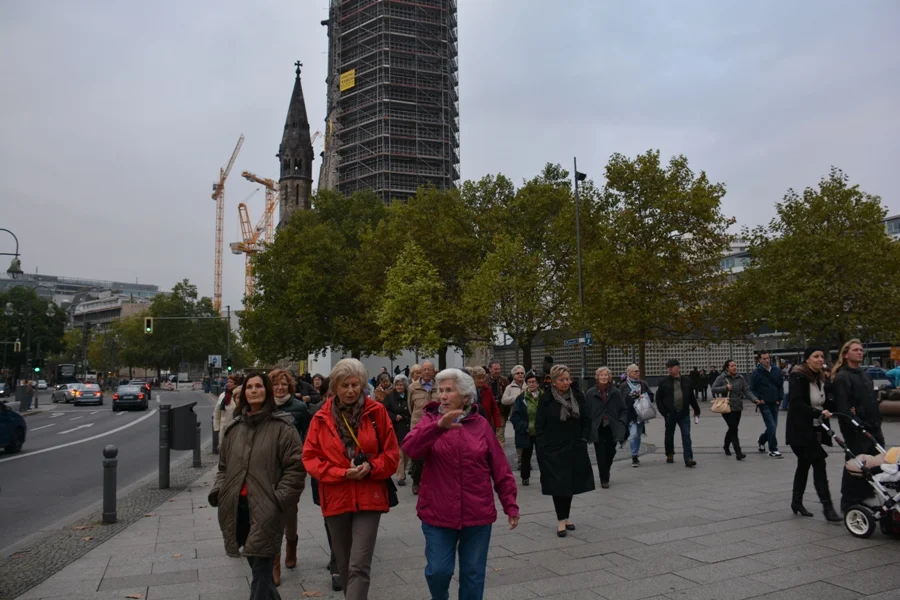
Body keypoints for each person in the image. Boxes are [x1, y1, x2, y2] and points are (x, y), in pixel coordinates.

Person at [403, 368, 519, 600]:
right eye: (441, 390)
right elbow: (410, 448)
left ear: (465, 397)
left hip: (477, 513)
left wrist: (510, 504)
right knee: (438, 571)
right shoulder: (429, 420)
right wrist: (437, 428)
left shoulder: (480, 425)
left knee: (473, 574)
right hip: (438, 513)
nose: (443, 396)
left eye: (449, 390)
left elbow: (500, 468)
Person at [302, 359, 400, 600]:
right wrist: (341, 473)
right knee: (344, 565)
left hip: (369, 496)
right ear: (334, 387)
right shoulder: (320, 418)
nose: (350, 391)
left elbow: (391, 454)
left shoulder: (376, 412)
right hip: (336, 497)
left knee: (359, 564)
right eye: (345, 385)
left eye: (355, 385)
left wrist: (371, 467)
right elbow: (311, 458)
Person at [208, 372, 306, 600]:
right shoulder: (234, 429)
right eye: (249, 387)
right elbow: (223, 468)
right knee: (258, 569)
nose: (253, 390)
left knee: (261, 572)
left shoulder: (282, 427)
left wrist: (278, 499)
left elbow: (296, 468)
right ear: (243, 393)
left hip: (266, 508)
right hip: (237, 508)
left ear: (267, 391)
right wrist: (219, 492)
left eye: (259, 386)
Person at [535, 365, 594, 537]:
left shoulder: (577, 396)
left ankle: (566, 516)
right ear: (553, 382)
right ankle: (560, 519)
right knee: (558, 484)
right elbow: (540, 425)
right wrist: (543, 446)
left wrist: (584, 437)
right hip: (554, 449)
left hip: (575, 447)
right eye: (562, 380)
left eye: (568, 379)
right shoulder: (546, 399)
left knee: (571, 483)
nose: (566, 382)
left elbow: (586, 418)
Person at [785, 348, 841, 522]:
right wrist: (816, 413)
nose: (819, 359)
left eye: (822, 356)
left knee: (804, 464)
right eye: (815, 356)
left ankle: (796, 502)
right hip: (800, 429)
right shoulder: (798, 376)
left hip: (816, 427)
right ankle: (828, 508)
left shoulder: (820, 377)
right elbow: (796, 403)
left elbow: (826, 400)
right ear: (807, 360)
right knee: (819, 462)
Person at [832, 339, 885, 513]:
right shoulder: (842, 377)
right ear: (846, 354)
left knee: (875, 463)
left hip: (873, 426)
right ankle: (849, 500)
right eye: (855, 350)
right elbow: (845, 407)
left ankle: (865, 495)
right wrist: (856, 421)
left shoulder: (864, 374)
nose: (860, 352)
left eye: (861, 350)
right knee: (856, 464)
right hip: (856, 430)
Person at [269, 369, 311, 581]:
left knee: (290, 510)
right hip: (268, 466)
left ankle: (291, 543)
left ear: (290, 386)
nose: (280, 387)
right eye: (276, 384)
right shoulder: (265, 406)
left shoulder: (299, 407)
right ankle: (275, 561)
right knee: (271, 511)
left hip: (292, 466)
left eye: (284, 384)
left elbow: (307, 434)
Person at [585, 367, 628, 488]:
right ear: (597, 377)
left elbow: (623, 409)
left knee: (610, 451)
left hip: (612, 427)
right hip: (598, 428)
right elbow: (586, 411)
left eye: (605, 375)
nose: (603, 377)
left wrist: (621, 422)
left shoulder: (616, 392)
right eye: (601, 375)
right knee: (600, 453)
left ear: (609, 377)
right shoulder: (590, 393)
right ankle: (604, 478)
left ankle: (606, 469)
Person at [655, 359, 699, 467]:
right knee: (669, 434)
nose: (669, 369)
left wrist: (696, 409)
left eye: (671, 367)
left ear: (678, 367)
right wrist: (664, 413)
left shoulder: (687, 381)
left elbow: (691, 397)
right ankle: (669, 453)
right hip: (670, 413)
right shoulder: (664, 381)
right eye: (668, 367)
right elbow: (658, 399)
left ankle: (688, 458)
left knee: (686, 435)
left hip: (683, 413)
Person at [712, 360, 757, 461]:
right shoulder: (722, 377)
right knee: (734, 429)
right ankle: (738, 452)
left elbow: (747, 391)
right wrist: (725, 388)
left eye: (735, 365)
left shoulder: (740, 378)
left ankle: (726, 445)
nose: (734, 367)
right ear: (727, 367)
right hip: (726, 407)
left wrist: (755, 399)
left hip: (737, 407)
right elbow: (714, 388)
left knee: (733, 428)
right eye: (732, 366)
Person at [407, 361, 438, 495]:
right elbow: (410, 408)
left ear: (433, 371)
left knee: (435, 455)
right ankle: (416, 480)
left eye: (429, 370)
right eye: (424, 370)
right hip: (418, 427)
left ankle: (433, 482)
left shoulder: (439, 386)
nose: (426, 372)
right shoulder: (413, 387)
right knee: (417, 458)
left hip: (436, 427)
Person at [750, 352, 784, 458]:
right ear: (759, 360)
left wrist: (780, 398)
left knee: (773, 426)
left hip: (775, 402)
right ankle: (773, 449)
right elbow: (752, 388)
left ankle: (762, 440)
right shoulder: (756, 373)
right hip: (764, 403)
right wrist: (758, 399)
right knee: (771, 425)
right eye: (764, 358)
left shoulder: (776, 370)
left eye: (768, 358)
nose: (767, 360)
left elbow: (780, 386)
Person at [510, 371, 541, 485]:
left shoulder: (543, 396)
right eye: (529, 382)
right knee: (526, 456)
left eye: (534, 382)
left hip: (540, 432)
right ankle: (525, 477)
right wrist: (524, 426)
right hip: (526, 431)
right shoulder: (521, 398)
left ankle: (545, 477)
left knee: (542, 456)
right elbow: (515, 416)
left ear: (538, 383)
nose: (532, 384)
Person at [619, 364, 653, 467]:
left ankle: (635, 454)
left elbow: (651, 396)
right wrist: (631, 397)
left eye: (638, 371)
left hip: (641, 414)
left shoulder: (643, 384)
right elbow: (620, 399)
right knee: (633, 435)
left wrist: (644, 396)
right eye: (635, 371)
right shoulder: (623, 386)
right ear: (629, 373)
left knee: (638, 435)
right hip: (630, 415)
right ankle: (634, 456)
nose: (638, 373)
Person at [383, 375, 412, 486]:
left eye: (401, 385)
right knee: (399, 453)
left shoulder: (409, 395)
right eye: (397, 385)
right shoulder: (390, 397)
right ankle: (400, 476)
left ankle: (402, 470)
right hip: (396, 427)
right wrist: (394, 417)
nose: (399, 387)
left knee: (407, 453)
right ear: (394, 386)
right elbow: (384, 410)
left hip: (408, 425)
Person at [501, 365, 525, 461]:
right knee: (519, 439)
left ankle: (526, 459)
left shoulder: (528, 384)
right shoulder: (509, 387)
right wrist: (516, 397)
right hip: (516, 417)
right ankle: (520, 459)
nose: (520, 375)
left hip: (529, 415)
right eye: (517, 373)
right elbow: (504, 400)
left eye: (522, 373)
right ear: (513, 375)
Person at [213, 375, 243, 447]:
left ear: (236, 383)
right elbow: (217, 412)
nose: (228, 383)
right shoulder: (223, 395)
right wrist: (217, 428)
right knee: (223, 448)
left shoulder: (240, 395)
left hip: (237, 428)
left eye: (231, 382)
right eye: (228, 382)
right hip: (224, 427)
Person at [471, 367, 502, 432]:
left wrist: (497, 423)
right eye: (479, 378)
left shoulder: (487, 390)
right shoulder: (469, 392)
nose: (482, 380)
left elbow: (494, 407)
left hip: (486, 423)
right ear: (473, 378)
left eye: (483, 378)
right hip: (472, 424)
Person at [487, 359, 510, 443]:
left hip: (501, 410)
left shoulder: (504, 381)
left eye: (499, 369)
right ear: (490, 369)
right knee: (489, 434)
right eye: (495, 369)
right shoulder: (485, 381)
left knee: (499, 435)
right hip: (488, 412)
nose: (498, 371)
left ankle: (499, 453)